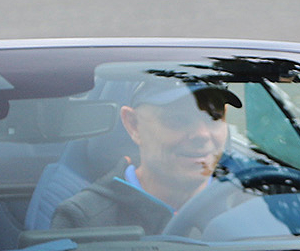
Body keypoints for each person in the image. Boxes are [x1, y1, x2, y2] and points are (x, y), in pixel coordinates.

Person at [49, 78, 243, 235]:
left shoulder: (256, 202)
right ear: (133, 125)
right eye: (177, 120)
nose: (202, 134)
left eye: (214, 117)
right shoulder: (84, 221)